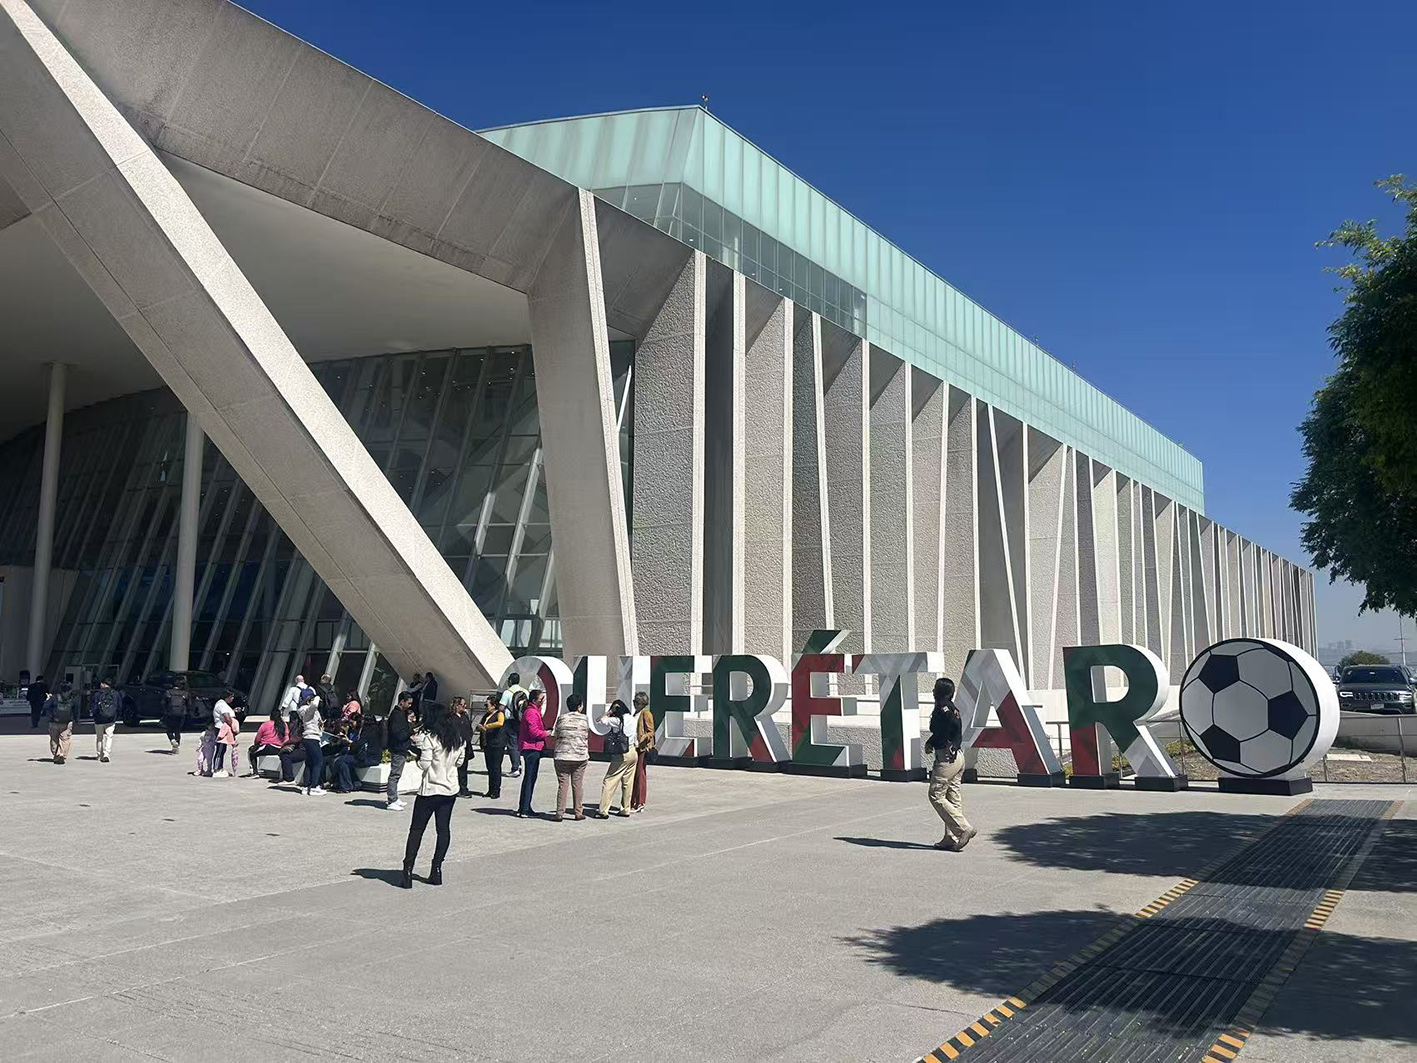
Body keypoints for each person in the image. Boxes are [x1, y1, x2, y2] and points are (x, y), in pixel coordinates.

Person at [400, 705, 471, 889]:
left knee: (417, 830)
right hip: (449, 789)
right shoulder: (458, 739)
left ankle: (408, 870)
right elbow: (460, 762)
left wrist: (416, 758)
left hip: (430, 789)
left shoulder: (430, 738)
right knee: (443, 829)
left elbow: (424, 765)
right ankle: (436, 868)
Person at [925, 676, 976, 852]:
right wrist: (937, 742)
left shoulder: (943, 708)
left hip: (947, 758)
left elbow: (947, 728)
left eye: (936, 689)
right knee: (952, 796)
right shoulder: (953, 709)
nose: (933, 691)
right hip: (957, 756)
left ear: (942, 692)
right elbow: (951, 729)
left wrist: (943, 742)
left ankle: (963, 829)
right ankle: (950, 838)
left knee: (935, 795)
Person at [550, 693, 589, 821]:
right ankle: (578, 812)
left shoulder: (561, 718)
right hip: (579, 756)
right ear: (579, 706)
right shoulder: (584, 719)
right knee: (577, 784)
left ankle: (559, 813)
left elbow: (556, 734)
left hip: (562, 754)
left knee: (563, 784)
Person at [596, 699, 637, 818]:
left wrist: (609, 712)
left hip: (621, 754)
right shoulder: (632, 718)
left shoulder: (616, 720)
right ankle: (625, 809)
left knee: (609, 781)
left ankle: (603, 810)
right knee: (627, 782)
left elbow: (599, 720)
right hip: (632, 751)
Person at [516, 688, 549, 818]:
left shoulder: (535, 711)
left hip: (534, 747)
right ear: (534, 700)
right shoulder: (531, 712)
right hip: (531, 748)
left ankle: (525, 806)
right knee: (529, 778)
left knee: (531, 777)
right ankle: (524, 808)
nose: (543, 701)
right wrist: (546, 733)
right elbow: (533, 732)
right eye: (541, 699)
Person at [330, 714, 381, 793]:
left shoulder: (367, 731)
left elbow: (358, 745)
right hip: (374, 757)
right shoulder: (376, 730)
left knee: (341, 760)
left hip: (367, 758)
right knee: (346, 762)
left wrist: (349, 742)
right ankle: (355, 784)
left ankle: (345, 785)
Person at [385, 692, 414, 811]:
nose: (410, 706)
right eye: (408, 703)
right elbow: (398, 734)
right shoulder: (396, 715)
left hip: (401, 747)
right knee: (395, 775)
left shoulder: (401, 713)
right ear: (402, 702)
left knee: (397, 774)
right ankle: (391, 800)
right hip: (398, 748)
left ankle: (395, 798)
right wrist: (410, 732)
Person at [295, 686, 326, 796]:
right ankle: (314, 787)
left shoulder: (309, 711)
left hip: (309, 738)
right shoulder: (307, 710)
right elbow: (313, 706)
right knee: (318, 762)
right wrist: (316, 697)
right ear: (308, 700)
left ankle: (306, 786)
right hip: (312, 738)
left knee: (309, 763)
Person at [629, 690, 655, 813]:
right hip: (635, 747)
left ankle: (640, 802)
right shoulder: (636, 713)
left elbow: (651, 731)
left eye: (636, 702)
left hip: (642, 748)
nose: (634, 704)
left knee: (640, 775)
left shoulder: (646, 714)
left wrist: (643, 737)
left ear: (641, 703)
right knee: (635, 775)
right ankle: (633, 801)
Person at [476, 694, 506, 799]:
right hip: (488, 744)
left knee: (496, 767)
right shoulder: (486, 715)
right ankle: (490, 789)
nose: (486, 707)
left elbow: (500, 723)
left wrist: (486, 727)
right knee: (490, 768)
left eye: (487, 705)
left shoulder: (499, 714)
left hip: (497, 744)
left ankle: (496, 790)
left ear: (494, 705)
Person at [246, 710, 290, 777]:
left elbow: (258, 738)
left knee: (251, 752)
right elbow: (287, 737)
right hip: (279, 748)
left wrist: (256, 745)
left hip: (268, 747)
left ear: (271, 716)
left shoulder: (265, 724)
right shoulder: (284, 724)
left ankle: (255, 772)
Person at [448, 696, 477, 797]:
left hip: (464, 747)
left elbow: (469, 729)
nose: (465, 706)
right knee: (452, 769)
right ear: (457, 705)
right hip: (454, 747)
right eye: (463, 704)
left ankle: (463, 788)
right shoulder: (450, 717)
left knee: (463, 769)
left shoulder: (464, 716)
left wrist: (467, 738)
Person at [500, 673, 527, 778]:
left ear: (510, 681)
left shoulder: (507, 692)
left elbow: (501, 708)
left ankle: (515, 768)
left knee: (512, 744)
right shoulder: (525, 691)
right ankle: (519, 764)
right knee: (519, 743)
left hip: (511, 721)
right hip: (522, 721)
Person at [44, 682, 77, 764]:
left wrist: (49, 716)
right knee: (65, 739)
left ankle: (57, 754)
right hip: (67, 722)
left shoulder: (54, 698)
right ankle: (63, 754)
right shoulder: (72, 698)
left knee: (54, 739)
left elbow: (45, 707)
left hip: (54, 722)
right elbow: (76, 709)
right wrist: (75, 719)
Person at [210, 691, 240, 778]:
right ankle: (216, 768)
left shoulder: (223, 704)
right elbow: (227, 717)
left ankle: (220, 767)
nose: (232, 699)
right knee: (220, 749)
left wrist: (233, 711)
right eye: (231, 697)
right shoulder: (222, 705)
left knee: (223, 749)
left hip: (223, 728)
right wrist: (232, 726)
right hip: (221, 729)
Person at [91, 678, 120, 763]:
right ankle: (106, 754)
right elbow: (119, 706)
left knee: (99, 738)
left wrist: (94, 715)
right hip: (111, 719)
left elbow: (93, 706)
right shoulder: (116, 694)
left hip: (99, 719)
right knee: (109, 736)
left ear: (103, 684)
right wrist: (116, 716)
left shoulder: (97, 694)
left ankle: (99, 755)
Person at [276, 710, 306, 784]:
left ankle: (289, 779)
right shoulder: (296, 726)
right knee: (285, 753)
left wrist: (284, 745)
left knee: (286, 756)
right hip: (299, 748)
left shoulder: (301, 726)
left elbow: (296, 739)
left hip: (304, 750)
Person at [163, 683, 188, 753]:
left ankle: (173, 740)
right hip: (181, 714)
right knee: (177, 730)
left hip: (170, 713)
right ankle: (176, 746)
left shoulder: (168, 692)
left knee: (169, 730)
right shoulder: (185, 693)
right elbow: (189, 704)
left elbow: (163, 703)